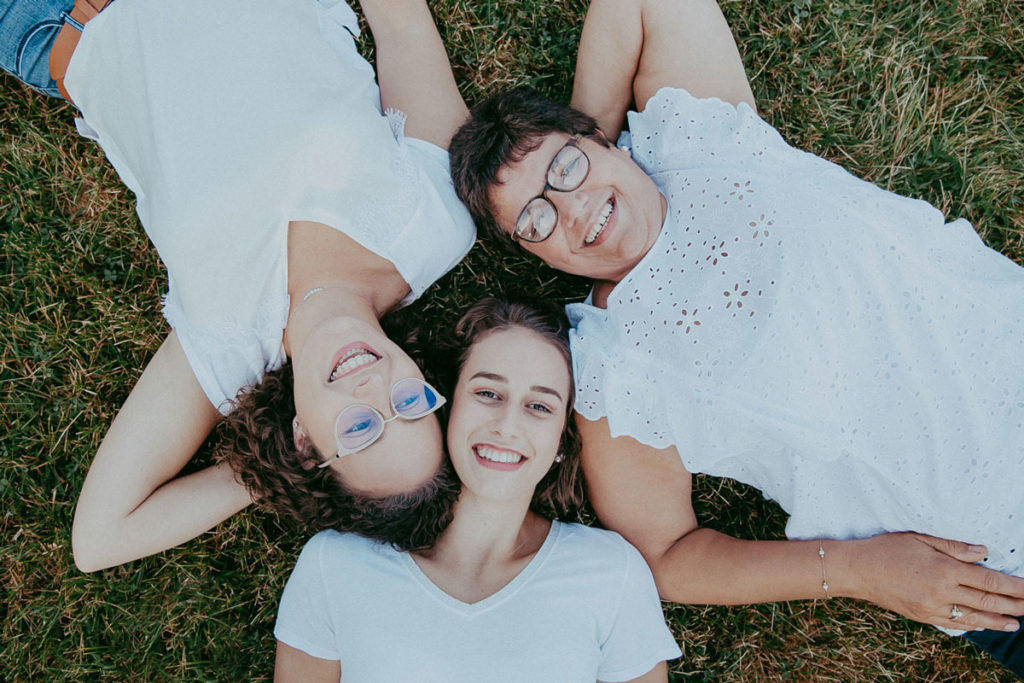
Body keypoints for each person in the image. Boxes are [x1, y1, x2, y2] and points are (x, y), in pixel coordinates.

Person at [447, 0, 1024, 673]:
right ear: (534, 254)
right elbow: (669, 557)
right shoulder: (614, 368)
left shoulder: (695, 139)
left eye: (565, 168)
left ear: (599, 137)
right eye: (536, 220)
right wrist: (861, 570)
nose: (570, 211)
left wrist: (593, 159)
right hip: (998, 559)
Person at [0, 0, 475, 571]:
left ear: (305, 441)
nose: (375, 390)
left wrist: (274, 470)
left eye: (359, 429)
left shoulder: (229, 344)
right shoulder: (435, 224)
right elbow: (401, 22)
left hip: (55, 20)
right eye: (409, 404)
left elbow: (99, 539)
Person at [273, 298, 682, 682]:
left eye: (540, 407)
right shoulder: (336, 565)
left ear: (561, 441)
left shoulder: (611, 573)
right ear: (448, 405)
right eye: (488, 393)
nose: (508, 424)